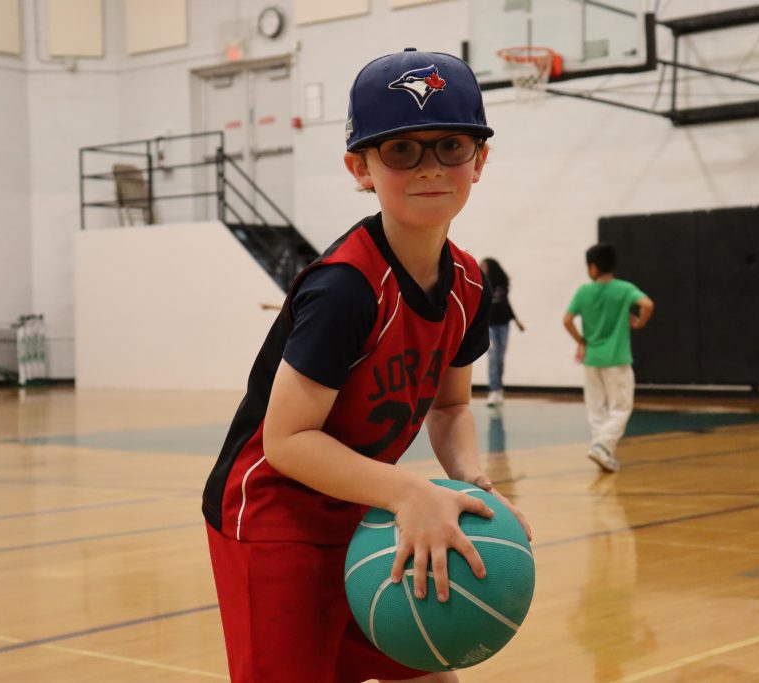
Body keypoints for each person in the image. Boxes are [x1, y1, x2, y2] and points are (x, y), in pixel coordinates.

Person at [202, 48, 531, 683]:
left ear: (480, 159)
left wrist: (470, 479)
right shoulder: (346, 288)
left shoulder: (469, 283)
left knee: (430, 669)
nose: (430, 167)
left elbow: (451, 406)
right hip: (272, 513)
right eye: (401, 150)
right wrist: (410, 490)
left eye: (451, 146)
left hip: (361, 507)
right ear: (360, 168)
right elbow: (287, 441)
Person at [563, 244, 654, 473]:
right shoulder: (624, 289)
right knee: (620, 408)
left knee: (596, 410)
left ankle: (602, 451)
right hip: (617, 359)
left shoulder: (584, 292)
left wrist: (581, 341)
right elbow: (647, 304)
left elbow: (567, 320)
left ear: (593, 267)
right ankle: (603, 447)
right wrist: (640, 321)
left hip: (592, 359)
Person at [480, 258, 524, 406]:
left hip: (503, 324)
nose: (482, 269)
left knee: (500, 358)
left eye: (484, 266)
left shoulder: (501, 285)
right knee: (493, 356)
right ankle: (493, 390)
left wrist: (516, 321)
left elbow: (506, 303)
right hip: (490, 325)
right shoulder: (482, 284)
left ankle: (499, 388)